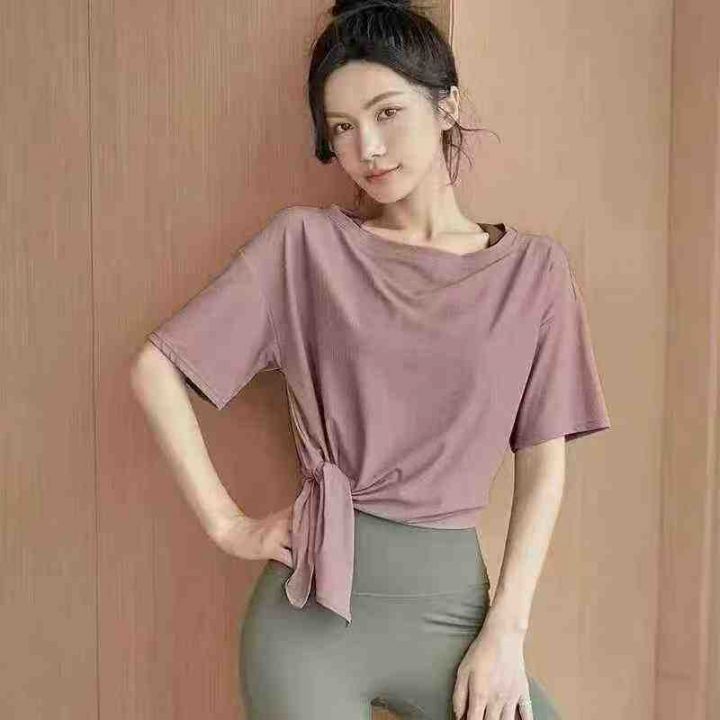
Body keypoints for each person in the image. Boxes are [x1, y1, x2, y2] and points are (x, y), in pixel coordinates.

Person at [131, 1, 612, 718]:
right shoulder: (305, 248)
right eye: (342, 128)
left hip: (456, 618)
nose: (369, 149)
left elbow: (543, 468)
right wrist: (229, 525)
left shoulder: (534, 274)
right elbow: (155, 369)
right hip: (309, 625)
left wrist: (506, 634)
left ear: (446, 106)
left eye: (388, 113)